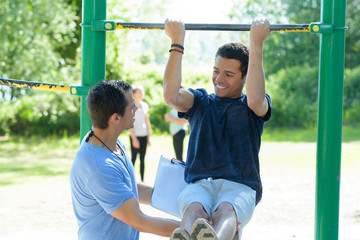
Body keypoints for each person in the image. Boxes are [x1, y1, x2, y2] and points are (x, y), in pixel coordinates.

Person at [163, 18, 272, 240]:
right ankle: (187, 235)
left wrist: (256, 45)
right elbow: (171, 95)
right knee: (193, 209)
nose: (219, 79)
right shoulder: (200, 102)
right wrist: (177, 42)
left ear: (245, 77)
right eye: (216, 71)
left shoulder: (252, 106)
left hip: (239, 186)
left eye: (228, 74)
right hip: (200, 184)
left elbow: (255, 98)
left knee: (226, 211)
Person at [70, 80, 179, 240]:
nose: (136, 108)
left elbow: (127, 188)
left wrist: (182, 200)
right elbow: (139, 221)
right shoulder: (98, 166)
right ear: (115, 118)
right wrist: (191, 228)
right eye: (131, 107)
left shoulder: (109, 142)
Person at [129, 85, 151, 182]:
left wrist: (149, 137)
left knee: (142, 158)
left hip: (144, 135)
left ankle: (142, 180)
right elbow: (130, 123)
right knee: (133, 158)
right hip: (135, 135)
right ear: (134, 94)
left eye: (142, 92)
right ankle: (130, 179)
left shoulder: (145, 105)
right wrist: (134, 139)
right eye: (139, 92)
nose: (141, 94)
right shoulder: (131, 106)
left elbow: (147, 121)